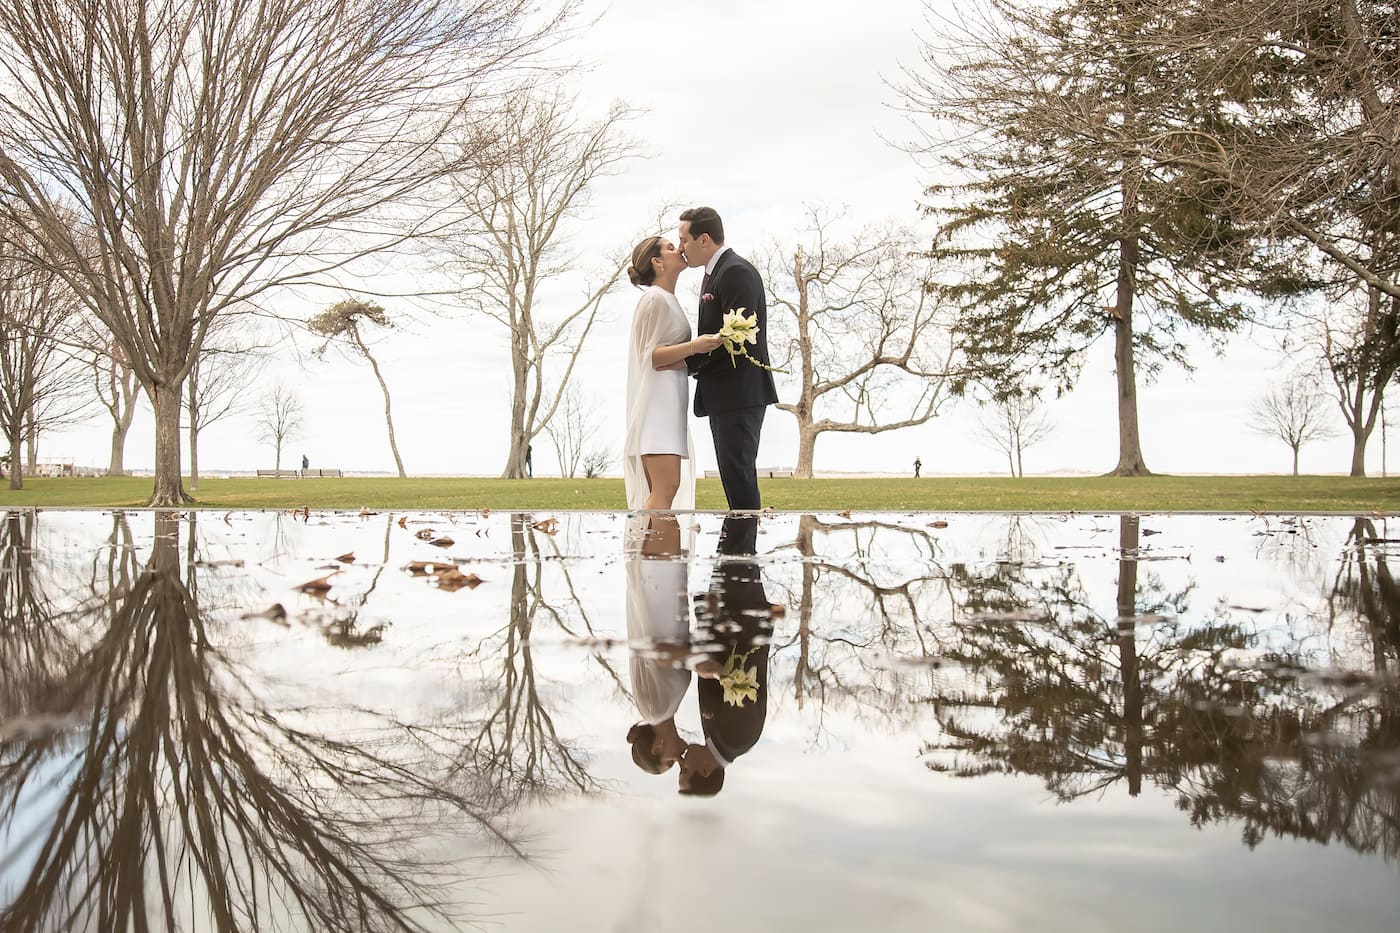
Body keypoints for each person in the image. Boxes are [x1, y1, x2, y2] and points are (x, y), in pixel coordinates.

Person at [679, 206, 778, 511]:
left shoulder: (736, 272)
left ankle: (744, 553)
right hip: (724, 393)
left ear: (704, 239)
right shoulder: (714, 274)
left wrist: (686, 360)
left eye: (684, 239)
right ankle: (737, 552)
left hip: (740, 392)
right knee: (732, 474)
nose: (681, 248)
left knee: (739, 474)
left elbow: (738, 338)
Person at [623, 235, 725, 510]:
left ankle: (661, 553)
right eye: (670, 247)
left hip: (669, 406)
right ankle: (656, 552)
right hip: (657, 408)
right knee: (665, 488)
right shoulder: (654, 299)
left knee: (666, 489)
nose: (678, 249)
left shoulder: (668, 299)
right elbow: (650, 357)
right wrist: (695, 346)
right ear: (657, 262)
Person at [677, 515, 772, 796]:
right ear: (705, 771)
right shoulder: (737, 738)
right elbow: (744, 686)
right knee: (738, 547)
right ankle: (742, 495)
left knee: (732, 546)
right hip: (741, 619)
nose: (681, 762)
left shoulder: (716, 739)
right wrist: (714, 671)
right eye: (684, 770)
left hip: (729, 618)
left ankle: (740, 501)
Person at [623, 513, 693, 775]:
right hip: (665, 602)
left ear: (656, 748)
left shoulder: (656, 709)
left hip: (659, 598)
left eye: (670, 762)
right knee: (665, 511)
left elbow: (656, 651)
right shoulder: (661, 709)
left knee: (662, 507)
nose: (679, 760)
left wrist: (708, 664)